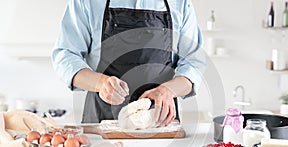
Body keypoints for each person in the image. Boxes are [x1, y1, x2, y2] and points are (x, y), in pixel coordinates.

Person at [52, 0, 206, 126]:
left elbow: (194, 61)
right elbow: (65, 56)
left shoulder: (180, 3)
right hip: (102, 120)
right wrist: (101, 83)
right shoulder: (87, 2)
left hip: (160, 123)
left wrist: (168, 91)